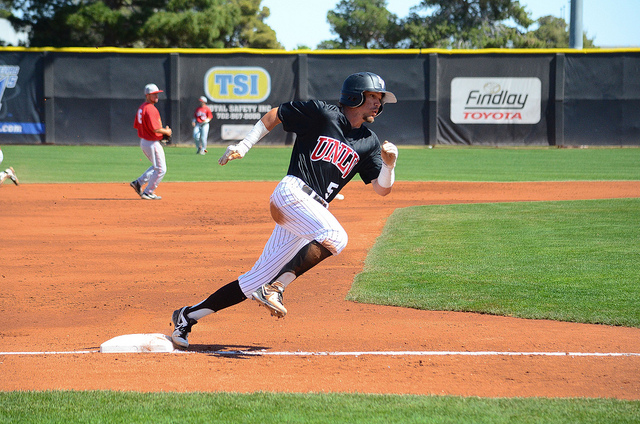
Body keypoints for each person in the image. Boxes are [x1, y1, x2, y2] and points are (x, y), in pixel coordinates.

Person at [170, 72, 399, 348]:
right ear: (355, 96)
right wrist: (244, 145)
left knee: (253, 280)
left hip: (308, 214)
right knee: (336, 237)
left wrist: (389, 165)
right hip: (292, 192)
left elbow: (381, 188)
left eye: (380, 99)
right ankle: (276, 288)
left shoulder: (369, 141)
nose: (378, 103)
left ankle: (187, 315)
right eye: (373, 96)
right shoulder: (323, 114)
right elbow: (274, 115)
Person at [130, 83, 172, 200]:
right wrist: (166, 132)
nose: (156, 96)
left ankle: (138, 183)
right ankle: (148, 192)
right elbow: (155, 128)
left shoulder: (142, 107)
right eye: (154, 94)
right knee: (161, 169)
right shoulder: (150, 109)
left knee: (156, 167)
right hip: (151, 142)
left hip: (145, 141)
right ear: (147, 95)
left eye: (157, 94)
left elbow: (138, 126)